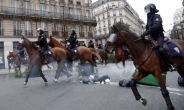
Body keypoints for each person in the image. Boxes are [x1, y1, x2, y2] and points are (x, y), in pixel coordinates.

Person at [140, 3, 177, 71]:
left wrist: (146, 33)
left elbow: (156, 26)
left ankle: (172, 64)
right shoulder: (149, 19)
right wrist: (143, 36)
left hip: (159, 36)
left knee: (161, 49)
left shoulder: (156, 17)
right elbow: (147, 29)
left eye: (147, 9)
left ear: (151, 9)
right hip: (152, 37)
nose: (146, 11)